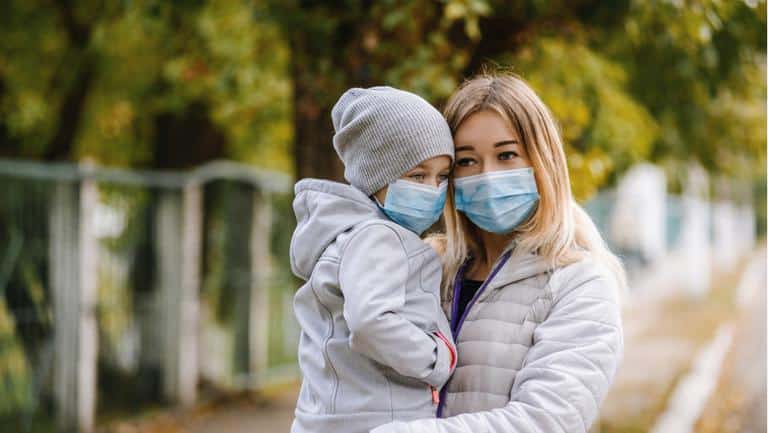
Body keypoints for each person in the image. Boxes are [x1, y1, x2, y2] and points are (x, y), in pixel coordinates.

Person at [371, 73, 626, 433]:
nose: (487, 176)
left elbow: (547, 421)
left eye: (506, 155)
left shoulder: (580, 283)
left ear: (542, 162)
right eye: (467, 161)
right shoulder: (432, 268)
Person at [290, 86, 458, 433]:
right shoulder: (378, 236)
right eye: (417, 175)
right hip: (379, 418)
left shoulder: (344, 234)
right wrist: (437, 358)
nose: (432, 189)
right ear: (375, 175)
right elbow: (370, 321)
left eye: (442, 177)